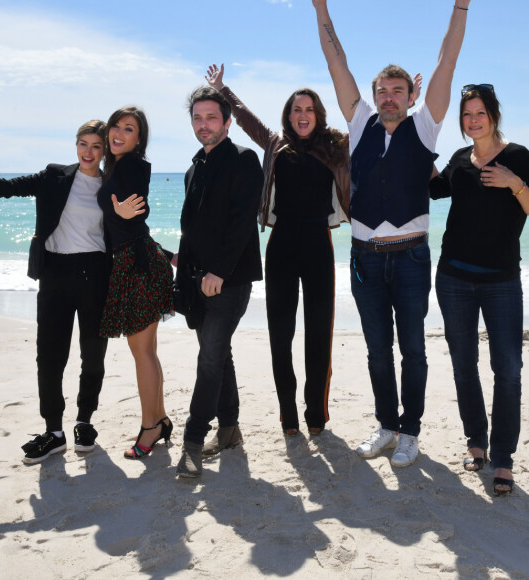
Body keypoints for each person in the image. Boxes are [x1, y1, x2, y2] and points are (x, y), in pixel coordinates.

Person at [312, 0, 471, 466]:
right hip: (364, 257)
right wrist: (321, 6)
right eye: (382, 90)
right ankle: (386, 424)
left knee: (413, 348)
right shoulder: (358, 122)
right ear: (373, 94)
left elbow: (448, 61)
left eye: (397, 90)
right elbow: (334, 58)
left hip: (410, 258)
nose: (388, 97)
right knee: (377, 348)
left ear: (409, 97)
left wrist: (460, 6)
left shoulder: (425, 126)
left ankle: (411, 431)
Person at [0, 120, 112, 464]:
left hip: (95, 274)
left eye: (96, 146)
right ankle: (54, 432)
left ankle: (85, 422)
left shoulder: (112, 184)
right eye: (83, 143)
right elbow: (5, 188)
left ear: (105, 150)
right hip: (55, 273)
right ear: (75, 145)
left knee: (93, 353)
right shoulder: (54, 176)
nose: (88, 152)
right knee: (49, 355)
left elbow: (130, 228)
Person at [205, 63, 350, 437]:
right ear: (288, 116)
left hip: (319, 243)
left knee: (319, 332)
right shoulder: (275, 143)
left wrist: (408, 105)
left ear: (318, 115)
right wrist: (223, 90)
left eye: (309, 109)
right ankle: (288, 414)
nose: (302, 115)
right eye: (296, 109)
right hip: (281, 245)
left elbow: (370, 126)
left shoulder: (334, 148)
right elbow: (244, 118)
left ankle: (315, 414)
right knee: (280, 333)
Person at [430, 85, 529, 495]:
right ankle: (476, 442)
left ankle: (504, 459)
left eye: (480, 113)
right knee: (463, 365)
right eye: (467, 114)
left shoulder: (519, 157)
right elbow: (435, 188)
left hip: (501, 281)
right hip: (453, 277)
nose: (473, 120)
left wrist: (513, 183)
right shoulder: (460, 159)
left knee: (507, 370)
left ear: (493, 114)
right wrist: (412, 143)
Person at [175, 86, 264, 478]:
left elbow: (243, 222)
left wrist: (220, 272)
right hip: (195, 280)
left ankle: (192, 442)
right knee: (218, 354)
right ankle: (229, 430)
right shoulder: (193, 167)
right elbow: (192, 228)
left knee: (209, 357)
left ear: (227, 122)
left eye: (212, 117)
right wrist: (184, 267)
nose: (204, 125)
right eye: (197, 118)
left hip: (230, 280)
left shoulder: (245, 159)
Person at [97, 106, 174, 460]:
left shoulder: (132, 165)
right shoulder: (116, 166)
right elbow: (132, 219)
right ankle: (158, 419)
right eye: (116, 126)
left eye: (129, 129)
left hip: (138, 266)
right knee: (147, 351)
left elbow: (134, 208)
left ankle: (149, 427)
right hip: (140, 260)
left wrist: (121, 211)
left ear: (138, 139)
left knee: (141, 352)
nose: (119, 133)